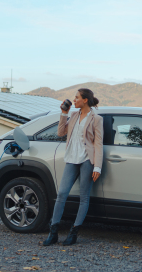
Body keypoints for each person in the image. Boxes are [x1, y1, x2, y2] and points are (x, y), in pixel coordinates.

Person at [43, 88, 103, 246]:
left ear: (85, 100)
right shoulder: (74, 115)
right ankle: (53, 232)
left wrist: (97, 167)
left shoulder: (96, 119)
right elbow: (61, 132)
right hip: (71, 159)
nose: (73, 100)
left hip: (86, 160)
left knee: (84, 198)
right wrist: (64, 113)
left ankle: (74, 232)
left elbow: (98, 144)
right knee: (61, 194)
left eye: (76, 98)